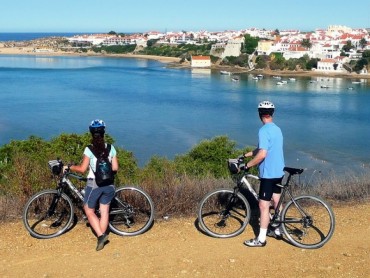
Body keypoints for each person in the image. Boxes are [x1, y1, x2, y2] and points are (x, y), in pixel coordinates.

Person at [64, 119, 118, 251]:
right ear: (103, 132)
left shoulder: (89, 149)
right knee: (104, 211)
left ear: (91, 133)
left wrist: (69, 166)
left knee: (89, 210)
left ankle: (100, 236)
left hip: (94, 184)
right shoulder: (111, 148)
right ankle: (103, 235)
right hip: (109, 184)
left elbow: (82, 169)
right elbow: (115, 168)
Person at [243, 101, 285, 247]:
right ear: (272, 114)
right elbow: (261, 148)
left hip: (268, 174)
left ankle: (261, 239)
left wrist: (247, 166)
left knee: (263, 206)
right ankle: (278, 229)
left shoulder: (263, 130)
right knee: (276, 201)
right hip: (279, 171)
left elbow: (262, 154)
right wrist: (245, 155)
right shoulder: (277, 129)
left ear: (260, 114)